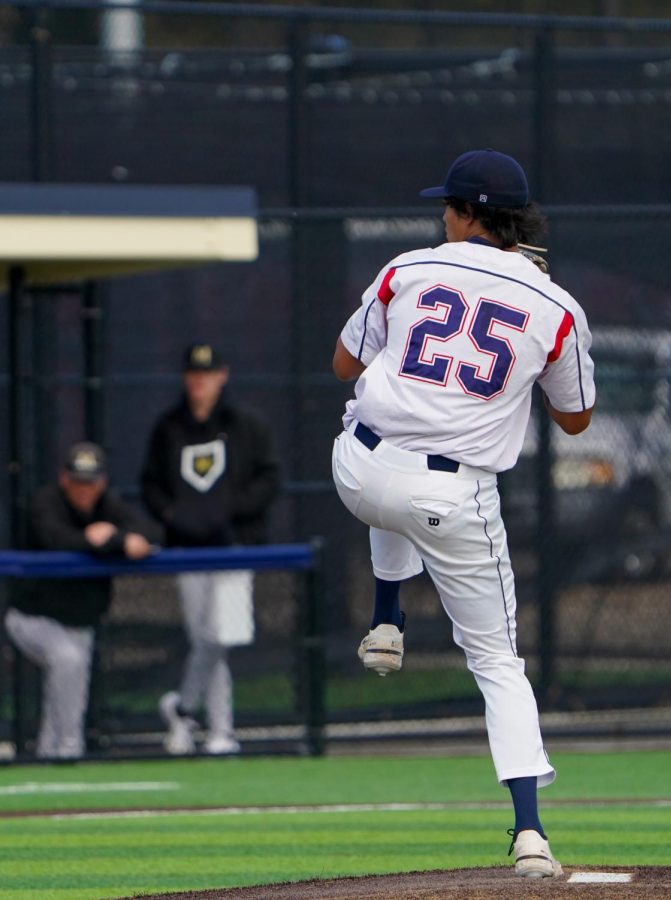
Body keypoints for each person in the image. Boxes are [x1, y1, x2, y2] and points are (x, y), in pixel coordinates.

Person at [331, 149, 595, 878]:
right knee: (496, 662)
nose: (441, 216)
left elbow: (344, 365)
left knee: (381, 456)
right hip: (450, 495)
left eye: (447, 206)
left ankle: (386, 617)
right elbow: (574, 421)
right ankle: (529, 834)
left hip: (357, 468)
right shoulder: (556, 304)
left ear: (467, 214)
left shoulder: (406, 269)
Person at [141, 343, 281, 756]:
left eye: (207, 374)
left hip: (235, 549)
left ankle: (182, 708)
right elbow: (150, 483)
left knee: (222, 637)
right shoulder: (168, 427)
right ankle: (220, 731)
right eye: (193, 374)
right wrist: (173, 515)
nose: (199, 382)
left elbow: (268, 478)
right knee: (203, 636)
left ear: (223, 375)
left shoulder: (246, 425)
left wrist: (231, 512)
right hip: (188, 549)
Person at [4, 442, 160, 760]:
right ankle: (69, 748)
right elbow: (56, 539)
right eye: (77, 482)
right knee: (67, 660)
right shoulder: (46, 502)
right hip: (31, 617)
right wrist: (104, 540)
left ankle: (50, 750)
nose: (83, 491)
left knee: (67, 673)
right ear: (64, 479)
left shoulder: (109, 507)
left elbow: (150, 532)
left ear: (101, 482)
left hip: (81, 621)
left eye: (90, 483)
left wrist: (114, 538)